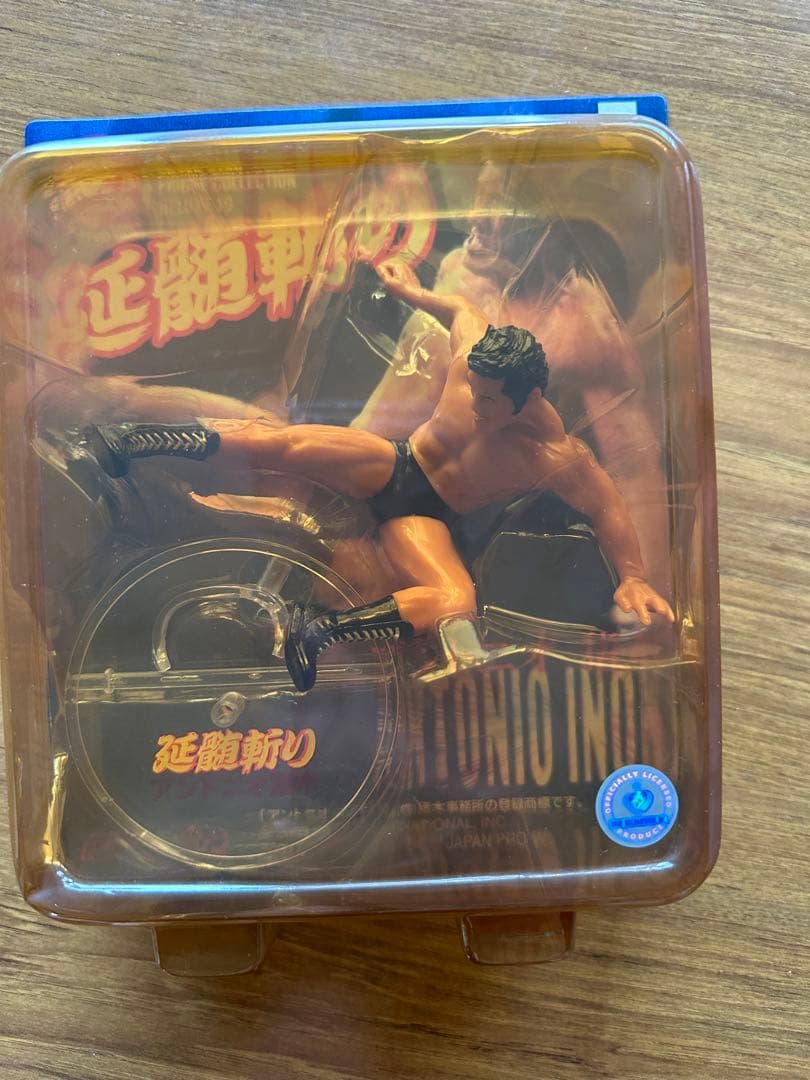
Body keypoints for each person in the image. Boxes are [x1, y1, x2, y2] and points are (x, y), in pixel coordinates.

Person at [82, 262, 673, 693]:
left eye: (490, 400)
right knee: (286, 442)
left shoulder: (555, 457)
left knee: (457, 601)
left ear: (528, 398)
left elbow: (607, 507)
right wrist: (408, 289)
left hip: (424, 517)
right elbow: (461, 311)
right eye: (473, 389)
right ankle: (139, 442)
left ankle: (319, 630)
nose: (474, 404)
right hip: (395, 463)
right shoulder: (473, 361)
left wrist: (634, 577)